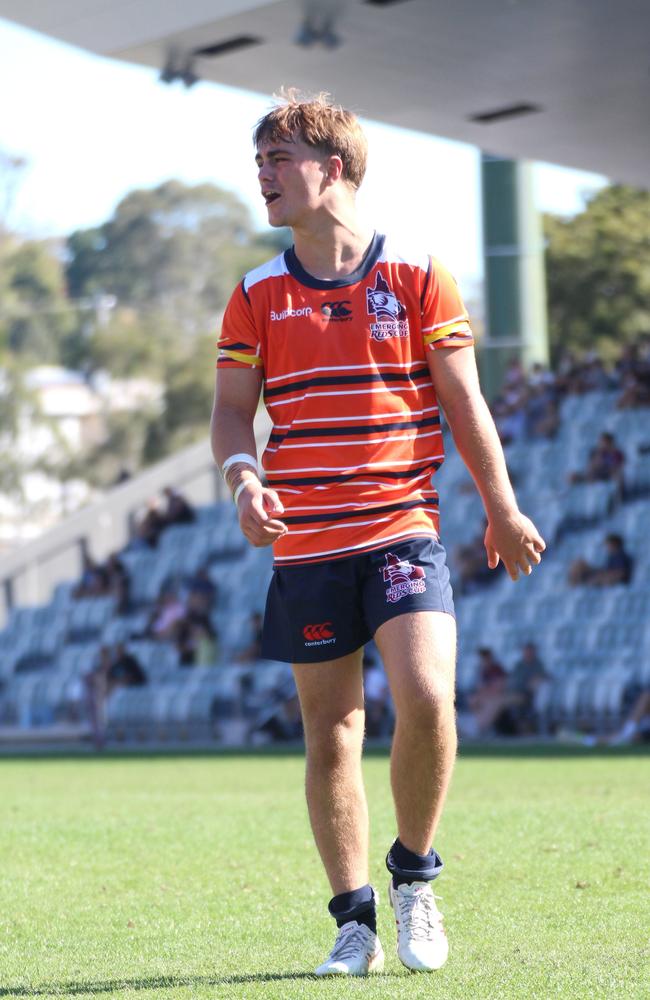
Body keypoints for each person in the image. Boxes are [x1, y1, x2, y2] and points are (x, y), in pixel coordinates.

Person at [210, 91, 545, 977]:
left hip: (404, 528)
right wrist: (243, 479)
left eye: (279, 158)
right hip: (306, 545)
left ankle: (414, 878)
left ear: (334, 167)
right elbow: (230, 418)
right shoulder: (254, 294)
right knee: (333, 734)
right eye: (260, 161)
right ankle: (353, 920)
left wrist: (502, 506)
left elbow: (466, 401)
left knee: (430, 697)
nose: (263, 175)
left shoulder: (420, 272)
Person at [569, 533, 633, 587]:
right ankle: (574, 581)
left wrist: (602, 577)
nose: (607, 547)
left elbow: (620, 573)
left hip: (608, 577)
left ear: (614, 544)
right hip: (605, 574)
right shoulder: (613, 556)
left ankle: (574, 582)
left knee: (580, 567)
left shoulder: (620, 556)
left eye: (608, 545)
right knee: (579, 563)